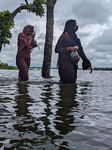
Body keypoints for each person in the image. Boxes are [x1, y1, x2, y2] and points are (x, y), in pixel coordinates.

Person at [55, 19, 92, 84]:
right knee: (69, 83)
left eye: (76, 25)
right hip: (64, 64)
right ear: (70, 26)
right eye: (75, 25)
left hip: (73, 64)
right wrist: (68, 48)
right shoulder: (64, 37)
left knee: (72, 81)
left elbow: (81, 52)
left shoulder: (77, 39)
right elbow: (57, 49)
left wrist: (88, 64)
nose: (76, 26)